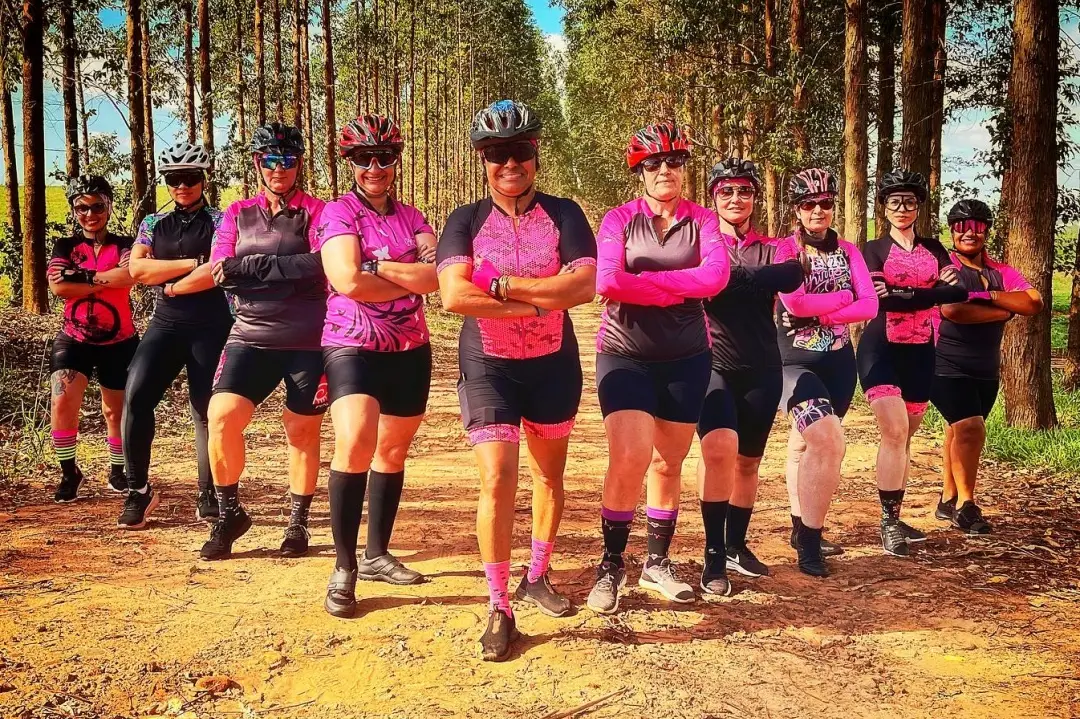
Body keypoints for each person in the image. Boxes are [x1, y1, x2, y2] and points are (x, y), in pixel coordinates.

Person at [436, 100, 597, 662]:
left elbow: (583, 288)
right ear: (482, 159)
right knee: (498, 477)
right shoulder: (464, 220)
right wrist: (538, 300)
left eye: (519, 150)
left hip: (553, 362)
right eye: (496, 153)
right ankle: (499, 604)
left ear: (535, 153)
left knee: (549, 476)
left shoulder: (566, 213)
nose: (509, 163)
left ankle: (537, 574)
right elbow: (454, 295)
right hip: (489, 364)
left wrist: (501, 285)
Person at [588, 121, 730, 611]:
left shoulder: (703, 221)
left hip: (688, 357)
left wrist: (646, 283)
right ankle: (611, 563)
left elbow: (716, 278)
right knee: (630, 456)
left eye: (674, 161)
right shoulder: (618, 219)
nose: (665, 169)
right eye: (654, 163)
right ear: (640, 171)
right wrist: (677, 287)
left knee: (669, 462)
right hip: (624, 353)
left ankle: (656, 562)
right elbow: (608, 281)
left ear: (684, 168)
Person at [318, 115, 439, 618]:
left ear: (395, 161)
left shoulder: (414, 217)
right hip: (352, 344)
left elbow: (436, 278)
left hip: (411, 346)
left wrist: (378, 267)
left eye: (384, 157)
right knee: (354, 443)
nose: (374, 166)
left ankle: (376, 554)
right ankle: (343, 567)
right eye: (363, 158)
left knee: (391, 451)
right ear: (350, 162)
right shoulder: (338, 213)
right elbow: (347, 281)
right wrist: (405, 277)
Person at [202, 122, 328, 561]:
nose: (279, 168)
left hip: (308, 340)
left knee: (301, 430)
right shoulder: (236, 213)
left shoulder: (318, 211)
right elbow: (220, 270)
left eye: (288, 160)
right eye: (271, 160)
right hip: (249, 336)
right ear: (257, 163)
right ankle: (229, 515)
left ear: (299, 164)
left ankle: (298, 522)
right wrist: (286, 270)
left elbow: (321, 265)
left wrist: (251, 267)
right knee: (221, 417)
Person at [696, 158, 804, 582]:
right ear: (713, 197)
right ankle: (713, 552)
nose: (736, 198)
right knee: (718, 450)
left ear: (755, 198)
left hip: (763, 367)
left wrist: (729, 279)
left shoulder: (775, 246)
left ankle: (736, 545)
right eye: (726, 191)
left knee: (748, 463)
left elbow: (791, 274)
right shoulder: (702, 244)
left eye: (744, 191)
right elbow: (702, 281)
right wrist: (757, 279)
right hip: (713, 364)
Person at [120, 142, 232, 529]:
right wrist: (192, 263)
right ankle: (138, 491)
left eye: (190, 178)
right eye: (173, 179)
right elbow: (137, 271)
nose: (182, 186)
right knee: (135, 396)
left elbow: (216, 271)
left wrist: (168, 275)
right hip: (165, 325)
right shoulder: (153, 223)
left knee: (206, 411)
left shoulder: (222, 220)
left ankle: (209, 492)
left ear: (203, 180)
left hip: (211, 325)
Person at [774, 168, 878, 577]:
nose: (818, 210)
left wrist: (826, 312)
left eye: (825, 203)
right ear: (796, 210)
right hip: (793, 362)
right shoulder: (785, 250)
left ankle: (800, 526)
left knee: (804, 446)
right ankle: (810, 543)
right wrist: (845, 296)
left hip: (839, 362)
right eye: (808, 204)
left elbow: (870, 305)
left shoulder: (849, 251)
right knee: (828, 440)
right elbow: (795, 304)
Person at [857, 169, 966, 557]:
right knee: (895, 431)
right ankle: (887, 522)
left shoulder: (935, 248)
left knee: (905, 437)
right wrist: (930, 292)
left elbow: (959, 290)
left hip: (922, 351)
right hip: (880, 349)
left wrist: (905, 292)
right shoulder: (873, 249)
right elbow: (880, 298)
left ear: (919, 207)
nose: (902, 208)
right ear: (884, 208)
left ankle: (897, 514)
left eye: (909, 202)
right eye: (894, 201)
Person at [932, 200, 1042, 534]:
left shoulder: (1000, 272)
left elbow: (1033, 302)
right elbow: (953, 310)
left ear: (987, 231)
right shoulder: (945, 268)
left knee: (958, 430)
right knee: (970, 427)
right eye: (962, 226)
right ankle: (966, 506)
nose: (970, 233)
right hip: (944, 361)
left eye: (978, 226)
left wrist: (988, 295)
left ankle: (948, 499)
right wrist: (1006, 310)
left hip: (985, 367)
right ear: (952, 230)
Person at [47, 175, 137, 504]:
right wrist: (104, 279)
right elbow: (58, 287)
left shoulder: (125, 244)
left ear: (109, 206)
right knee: (62, 402)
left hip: (120, 340)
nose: (90, 214)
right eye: (81, 208)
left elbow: (129, 276)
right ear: (73, 211)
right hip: (74, 338)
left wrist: (82, 277)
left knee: (115, 411)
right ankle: (69, 473)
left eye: (97, 206)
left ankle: (117, 470)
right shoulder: (65, 246)